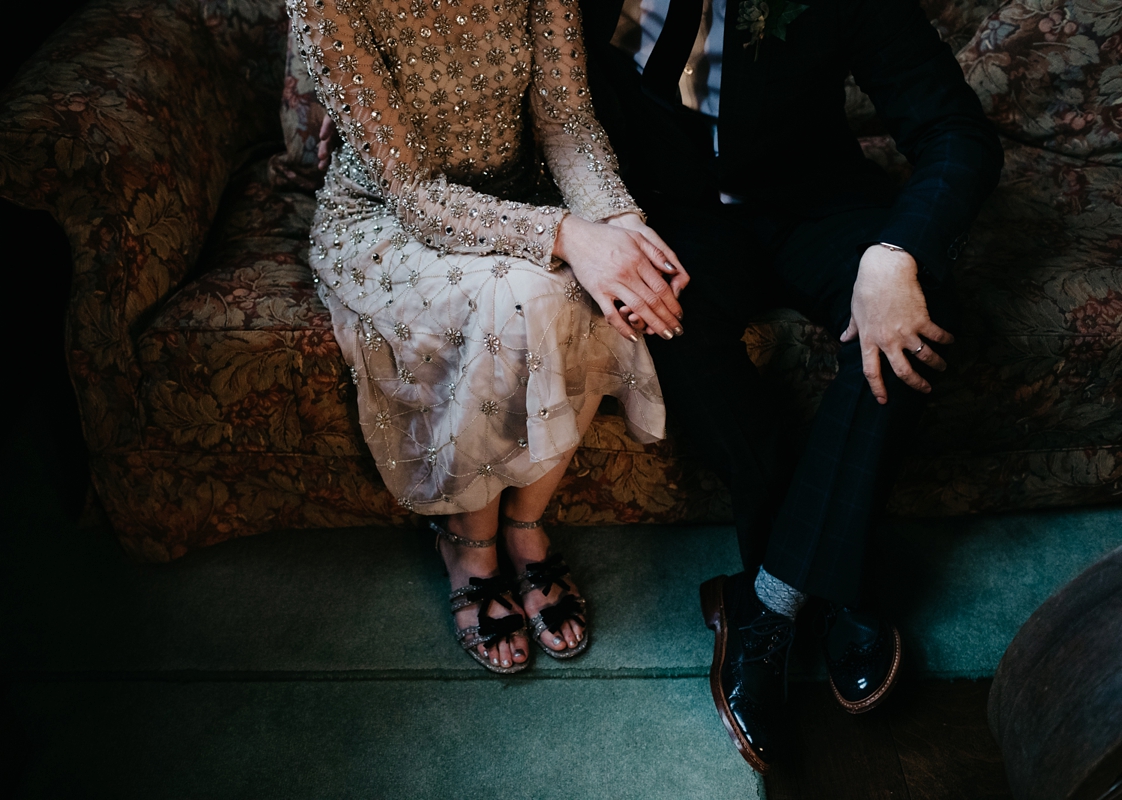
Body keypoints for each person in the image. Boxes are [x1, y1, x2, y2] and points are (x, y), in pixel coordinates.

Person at [580, 0, 1003, 773]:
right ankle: (843, 582)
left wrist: (898, 252)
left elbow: (956, 130)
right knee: (653, 317)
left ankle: (767, 601)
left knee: (919, 304)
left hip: (814, 202)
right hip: (668, 225)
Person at [286, 0, 689, 674]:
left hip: (521, 192)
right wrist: (566, 235)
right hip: (391, 221)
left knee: (592, 289)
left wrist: (616, 221)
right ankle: (469, 545)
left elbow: (564, 119)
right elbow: (412, 192)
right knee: (534, 293)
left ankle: (524, 523)